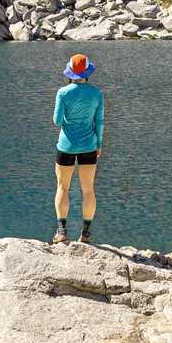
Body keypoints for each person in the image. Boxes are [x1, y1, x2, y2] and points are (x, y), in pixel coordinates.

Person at [52, 54, 104, 245]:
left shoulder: (63, 93)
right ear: (87, 73)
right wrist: (98, 145)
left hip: (66, 145)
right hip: (89, 145)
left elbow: (57, 121)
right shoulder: (97, 93)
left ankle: (62, 231)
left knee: (62, 187)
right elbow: (99, 121)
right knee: (88, 189)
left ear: (69, 73)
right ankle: (86, 233)